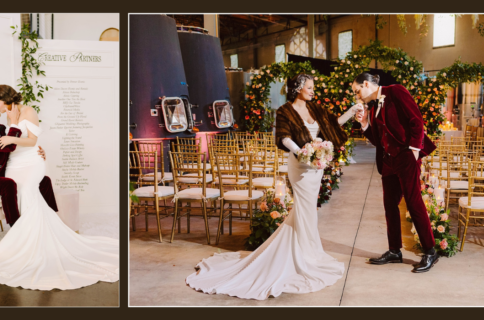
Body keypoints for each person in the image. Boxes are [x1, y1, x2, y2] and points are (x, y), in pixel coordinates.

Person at [185, 73, 362, 299]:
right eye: (309, 87)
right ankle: (305, 255)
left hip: (315, 167)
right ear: (298, 88)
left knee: (308, 210)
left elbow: (333, 123)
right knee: (305, 209)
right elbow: (285, 137)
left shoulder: (315, 108)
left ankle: (308, 251)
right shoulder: (285, 111)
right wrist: (302, 152)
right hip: (300, 166)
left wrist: (351, 111)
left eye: (313, 87)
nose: (312, 91)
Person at [0, 85, 119, 290]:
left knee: (28, 192)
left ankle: (34, 243)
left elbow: (30, 141)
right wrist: (13, 128)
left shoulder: (26, 112)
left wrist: (34, 148)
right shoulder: (3, 121)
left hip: (31, 162)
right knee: (21, 195)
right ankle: (23, 241)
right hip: (13, 165)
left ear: (6, 100)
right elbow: (10, 148)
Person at [351, 72, 439, 273]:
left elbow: (416, 119)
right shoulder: (374, 108)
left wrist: (414, 149)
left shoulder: (396, 91)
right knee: (390, 205)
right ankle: (394, 251)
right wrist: (364, 124)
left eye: (357, 91)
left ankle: (430, 251)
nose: (357, 96)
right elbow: (378, 140)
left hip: (406, 155)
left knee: (413, 201)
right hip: (388, 161)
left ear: (366, 84)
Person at [0, 97, 57, 225]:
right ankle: (15, 225)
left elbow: (14, 147)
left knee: (44, 180)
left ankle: (52, 220)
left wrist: (36, 151)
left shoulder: (0, 128)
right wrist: (14, 122)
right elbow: (9, 146)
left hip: (3, 172)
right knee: (8, 184)